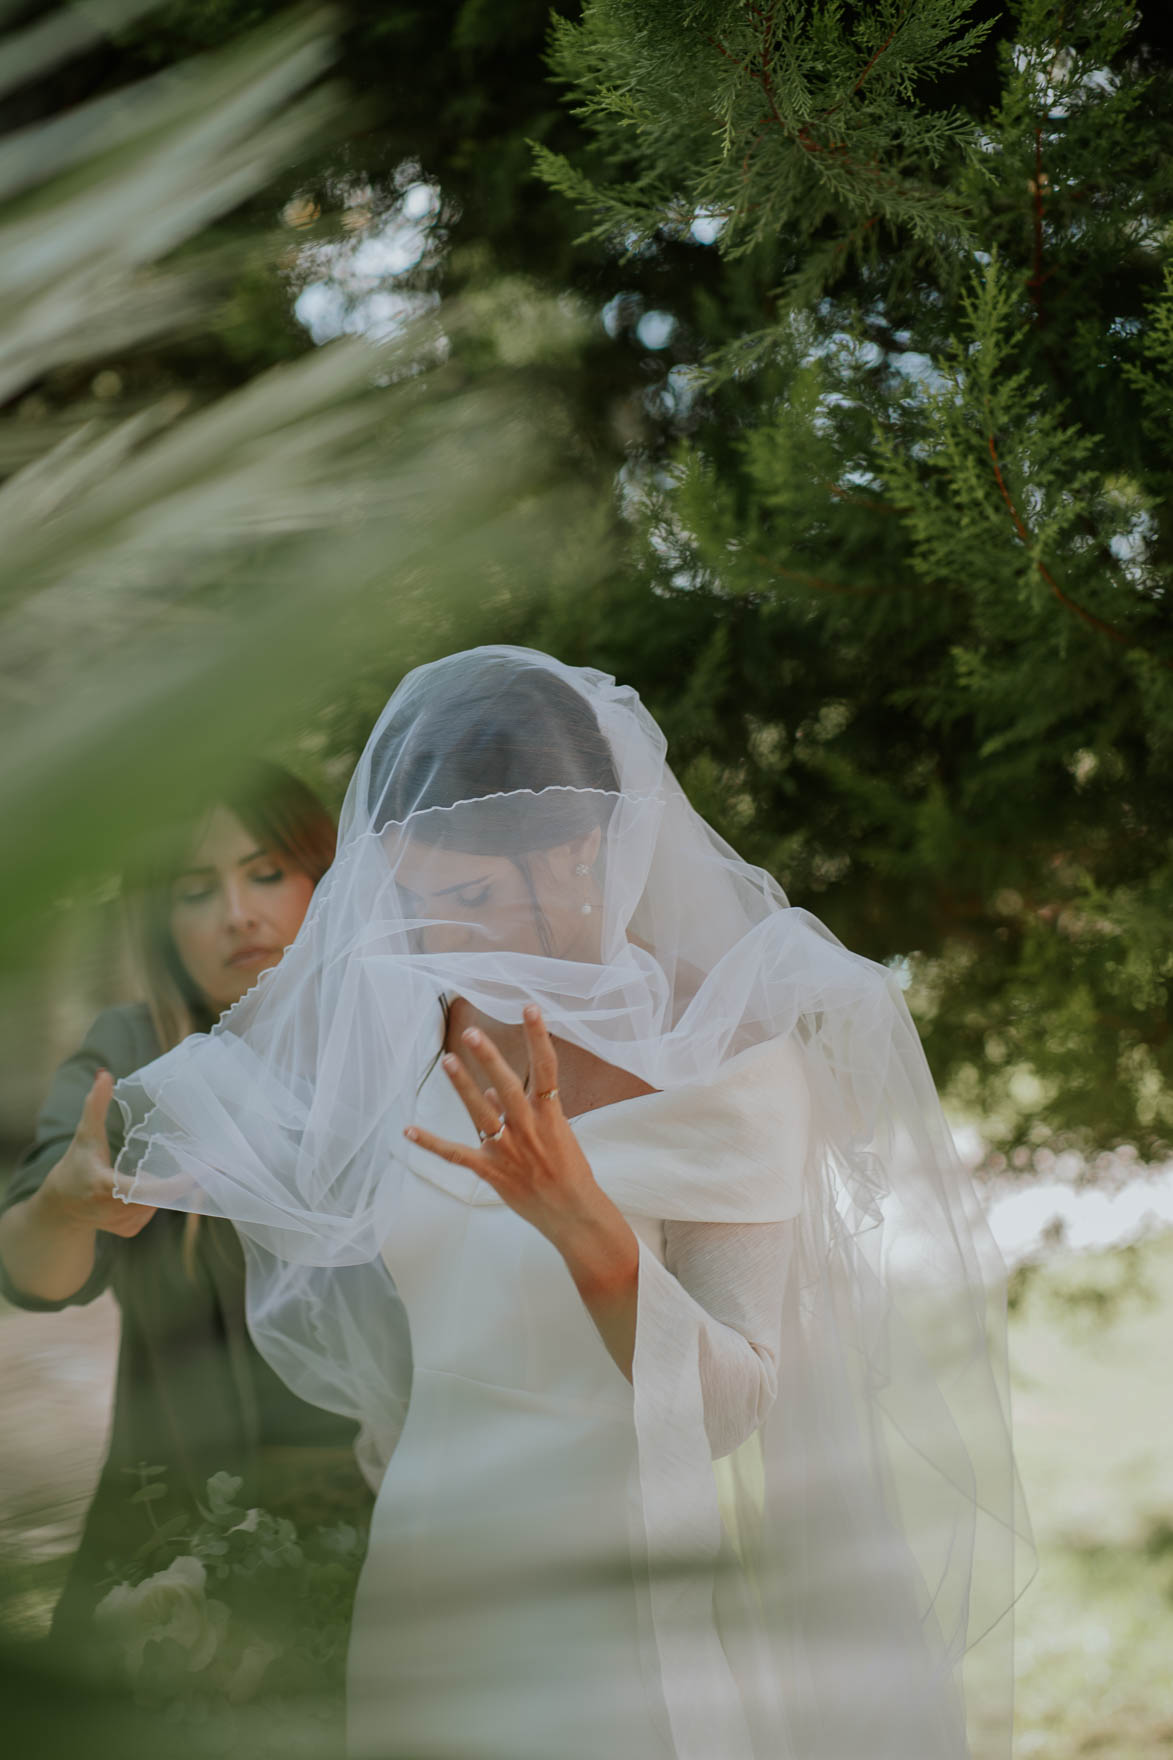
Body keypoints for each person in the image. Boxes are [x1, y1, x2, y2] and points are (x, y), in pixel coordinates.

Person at [113, 650, 1030, 1760]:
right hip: (426, 1584)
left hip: (606, 1601)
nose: (432, 933)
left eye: (467, 897)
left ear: (583, 848)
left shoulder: (727, 1058)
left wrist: (582, 1221)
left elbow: (738, 1402)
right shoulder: (420, 1025)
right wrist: (92, 1178)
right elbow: (262, 1145)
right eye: (412, 892)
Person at [0, 762, 371, 1643]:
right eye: (196, 889)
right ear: (163, 923)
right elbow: (31, 1276)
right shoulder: (130, 1052)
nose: (238, 912)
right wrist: (68, 1202)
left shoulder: (401, 1041)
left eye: (268, 871)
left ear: (326, 877)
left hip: (396, 1533)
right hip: (182, 1551)